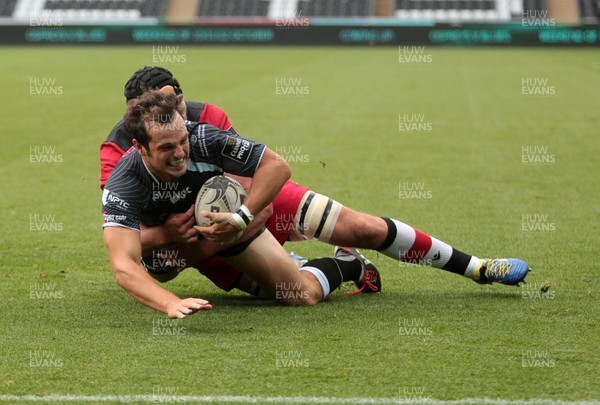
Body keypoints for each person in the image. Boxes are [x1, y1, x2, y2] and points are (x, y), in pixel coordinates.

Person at [101, 66, 530, 297]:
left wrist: (242, 216)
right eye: (165, 104)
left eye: (178, 99)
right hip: (196, 242)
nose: (179, 110)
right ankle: (345, 265)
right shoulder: (117, 154)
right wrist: (166, 236)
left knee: (361, 227)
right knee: (292, 295)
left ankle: (478, 267)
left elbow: (252, 187)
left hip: (243, 210)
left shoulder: (204, 120)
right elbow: (123, 235)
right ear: (136, 117)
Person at [103, 90, 381, 318]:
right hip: (175, 253)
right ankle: (292, 265)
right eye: (166, 148)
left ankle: (348, 262)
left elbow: (277, 166)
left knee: (300, 296)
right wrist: (170, 303)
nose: (179, 153)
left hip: (230, 229)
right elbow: (123, 265)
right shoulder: (125, 182)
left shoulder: (203, 137)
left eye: (182, 141)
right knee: (163, 269)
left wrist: (241, 216)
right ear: (140, 147)